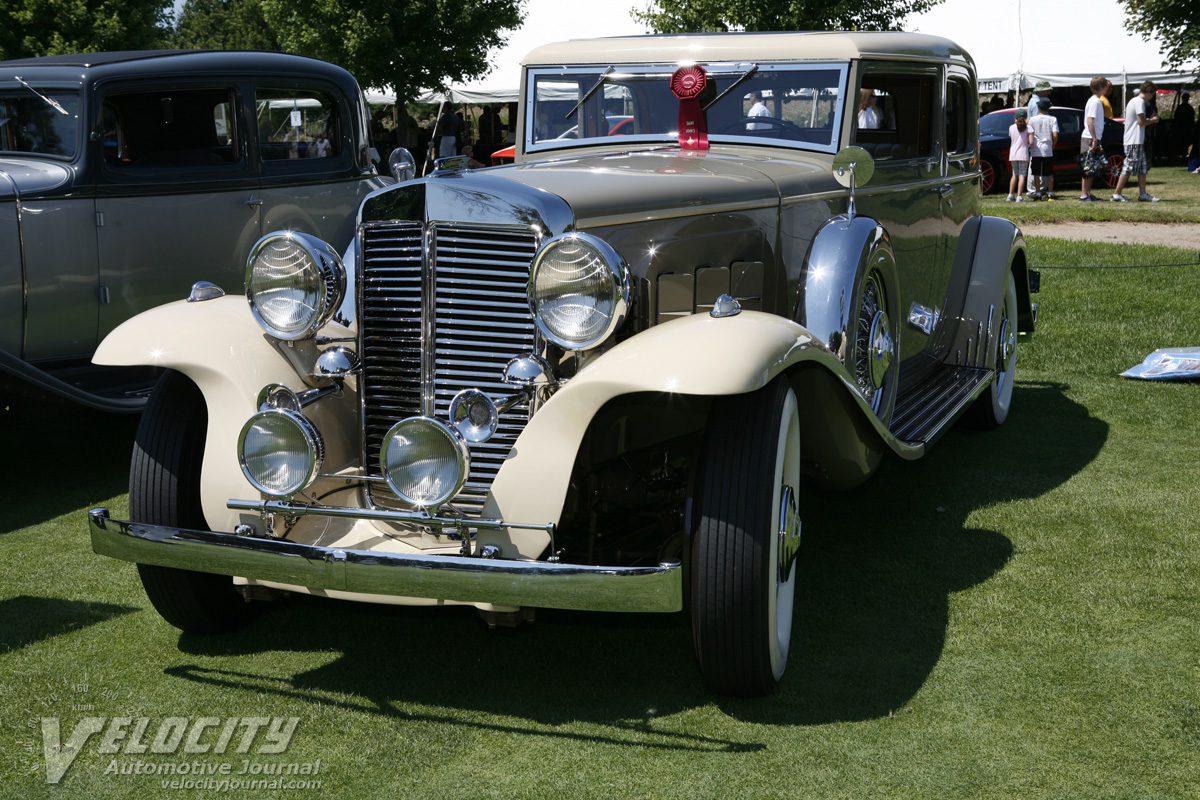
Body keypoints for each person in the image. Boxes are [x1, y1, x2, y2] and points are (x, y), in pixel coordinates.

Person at [1112, 81, 1161, 202]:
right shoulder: (1139, 102)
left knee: (1142, 168)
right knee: (1128, 167)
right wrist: (1153, 120)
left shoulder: (1134, 100)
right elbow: (1141, 122)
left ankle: (1143, 194)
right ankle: (1116, 194)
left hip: (1136, 140)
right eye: (1152, 94)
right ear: (1149, 92)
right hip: (1133, 140)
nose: (1152, 97)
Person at [1079, 76, 1108, 201]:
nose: (1107, 88)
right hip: (1090, 137)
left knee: (1091, 168)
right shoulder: (1095, 102)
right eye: (1106, 85)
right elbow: (1090, 121)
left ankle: (1087, 193)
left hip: (1092, 136)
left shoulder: (1095, 101)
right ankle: (1084, 195)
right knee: (1088, 168)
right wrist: (1094, 138)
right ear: (1100, 87)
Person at [1028, 97, 1058, 199]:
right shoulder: (1053, 119)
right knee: (1049, 173)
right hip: (1047, 148)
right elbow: (1055, 134)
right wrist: (1054, 144)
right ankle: (1050, 193)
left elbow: (1029, 133)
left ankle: (1038, 193)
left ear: (1039, 107)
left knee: (1036, 172)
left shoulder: (1032, 119)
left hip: (1036, 148)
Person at [1007, 108, 1033, 201]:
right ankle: (1019, 196)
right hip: (1023, 154)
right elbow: (1031, 142)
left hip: (1013, 154)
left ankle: (1010, 195)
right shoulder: (1029, 128)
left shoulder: (1011, 127)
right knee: (1022, 175)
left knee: (1014, 174)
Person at [1173, 91, 1194, 163]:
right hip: (1183, 128)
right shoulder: (1189, 108)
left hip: (1183, 128)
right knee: (1183, 142)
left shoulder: (1181, 108)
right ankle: (1183, 154)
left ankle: (1183, 154)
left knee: (1183, 142)